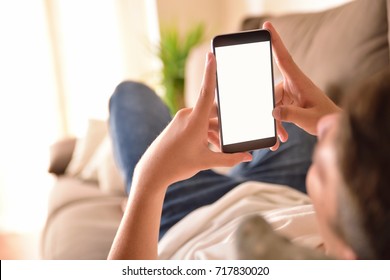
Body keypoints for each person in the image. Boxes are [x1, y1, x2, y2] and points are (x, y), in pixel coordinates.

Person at [107, 22, 390, 260]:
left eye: (329, 170)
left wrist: (148, 183)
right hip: (282, 188)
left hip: (187, 214)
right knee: (284, 109)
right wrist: (345, 125)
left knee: (130, 95)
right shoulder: (364, 233)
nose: (331, 124)